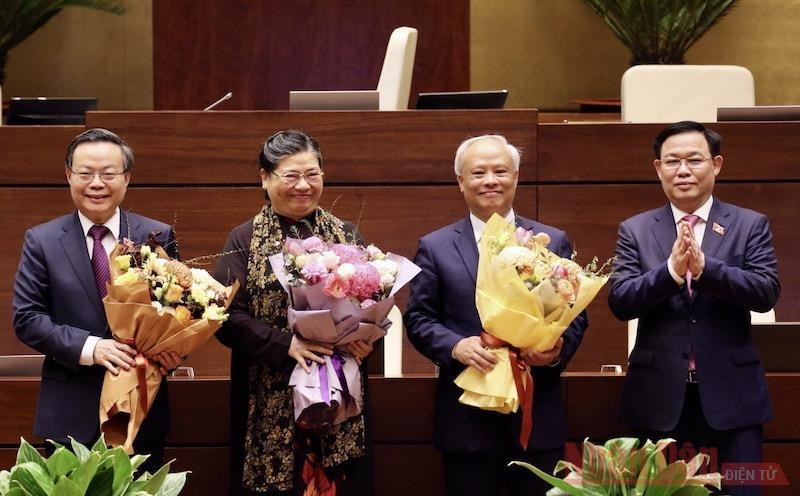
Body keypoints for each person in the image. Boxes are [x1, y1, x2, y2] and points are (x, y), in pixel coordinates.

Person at [404, 135, 588, 496]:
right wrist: (455, 346)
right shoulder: (436, 247)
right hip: (467, 420)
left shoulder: (552, 241)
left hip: (536, 415)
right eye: (479, 173)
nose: (491, 180)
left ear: (516, 177)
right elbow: (419, 318)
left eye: (500, 171)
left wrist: (554, 350)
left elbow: (575, 314)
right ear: (461, 182)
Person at [608, 121, 780, 496]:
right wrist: (670, 272)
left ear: (716, 164)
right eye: (672, 161)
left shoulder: (749, 224)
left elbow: (766, 291)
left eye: (694, 160)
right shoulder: (635, 229)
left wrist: (707, 271)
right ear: (658, 168)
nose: (683, 170)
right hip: (658, 401)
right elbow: (620, 301)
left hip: (734, 400)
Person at [213, 129, 374, 495]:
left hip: (340, 397)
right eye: (291, 175)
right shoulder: (244, 239)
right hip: (270, 393)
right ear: (265, 178)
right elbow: (226, 317)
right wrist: (286, 344)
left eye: (312, 174)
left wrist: (366, 341)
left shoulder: (346, 235)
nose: (303, 185)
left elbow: (371, 300)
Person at [12, 128, 181, 470]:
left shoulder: (156, 236)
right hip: (69, 414)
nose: (96, 183)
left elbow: (177, 311)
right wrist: (92, 348)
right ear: (68, 176)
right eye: (85, 173)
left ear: (126, 178)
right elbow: (27, 318)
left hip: (139, 413)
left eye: (108, 173)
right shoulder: (42, 241)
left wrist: (173, 349)